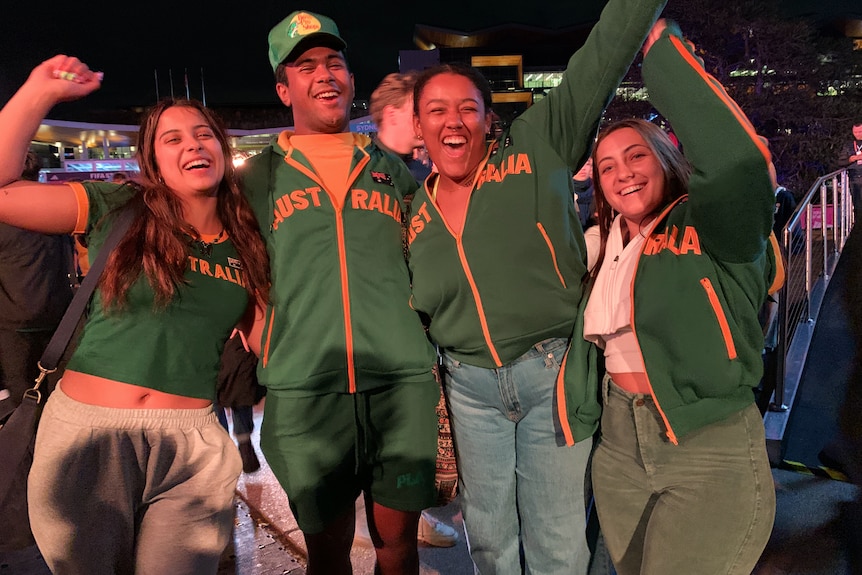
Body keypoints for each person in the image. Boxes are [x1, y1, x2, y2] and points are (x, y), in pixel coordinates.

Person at [405, 0, 666, 571]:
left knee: (556, 539)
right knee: (491, 540)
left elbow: (604, 52)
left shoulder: (536, 146)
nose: (453, 122)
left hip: (551, 374)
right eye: (437, 110)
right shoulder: (411, 211)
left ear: (487, 117)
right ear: (419, 125)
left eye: (467, 108)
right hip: (468, 388)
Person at [0, 55, 270, 574]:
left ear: (222, 147)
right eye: (173, 139)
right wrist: (39, 92)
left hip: (192, 447)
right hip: (87, 436)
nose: (193, 144)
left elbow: (268, 342)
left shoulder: (247, 244)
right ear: (153, 160)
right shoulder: (118, 206)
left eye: (203, 134)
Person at [240, 11, 440, 575]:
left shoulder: (391, 171)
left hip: (398, 388)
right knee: (327, 553)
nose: (325, 74)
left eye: (335, 63)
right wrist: (262, 333)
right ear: (284, 88)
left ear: (350, 79)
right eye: (306, 66)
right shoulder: (257, 178)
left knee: (398, 548)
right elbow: (233, 264)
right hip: (307, 394)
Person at [583, 20, 779, 574]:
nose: (623, 173)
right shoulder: (602, 242)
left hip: (707, 445)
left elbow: (737, 163)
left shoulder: (714, 226)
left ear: (667, 157)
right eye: (607, 166)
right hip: (619, 446)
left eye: (636, 156)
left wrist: (662, 60)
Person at [369, 70, 459, 549]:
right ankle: (412, 518)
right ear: (394, 114)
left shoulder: (408, 169)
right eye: (417, 111)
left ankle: (414, 516)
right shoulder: (379, 168)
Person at [838, 120, 862, 213]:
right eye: (855, 132)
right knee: (858, 207)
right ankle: (858, 226)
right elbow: (840, 162)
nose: (858, 134)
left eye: (860, 131)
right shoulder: (849, 146)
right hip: (855, 179)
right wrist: (852, 159)